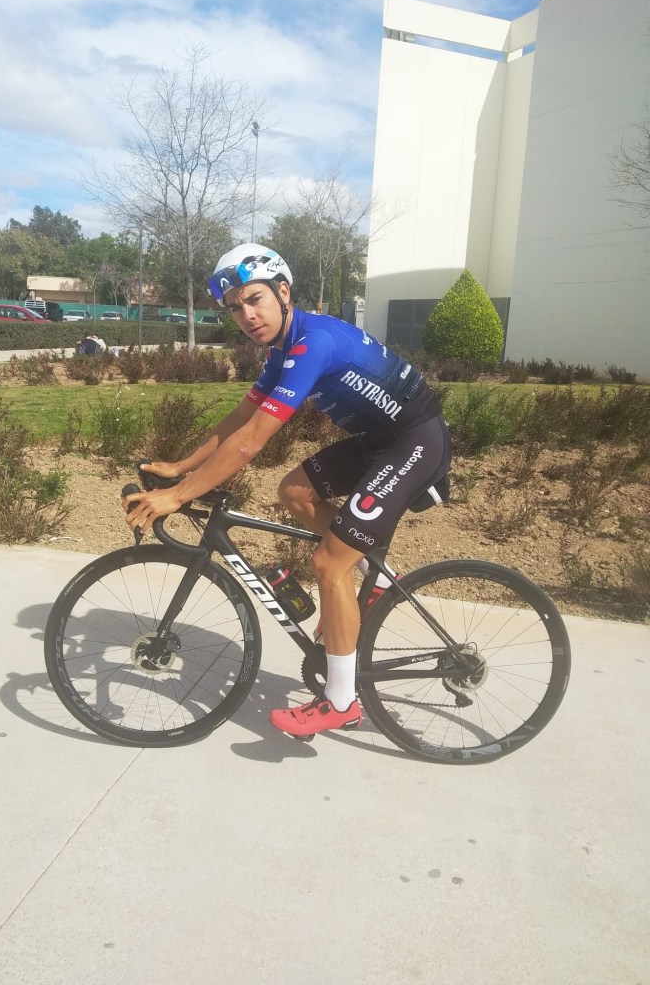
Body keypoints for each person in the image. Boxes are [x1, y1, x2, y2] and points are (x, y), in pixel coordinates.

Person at [123, 244, 451, 738]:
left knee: (329, 565)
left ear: (283, 291)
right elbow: (241, 418)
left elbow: (251, 441)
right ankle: (375, 576)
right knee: (295, 492)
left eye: (254, 299)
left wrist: (179, 494)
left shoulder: (312, 343)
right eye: (235, 308)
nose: (247, 316)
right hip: (378, 441)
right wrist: (181, 467)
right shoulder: (283, 348)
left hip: (413, 442)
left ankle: (342, 701)